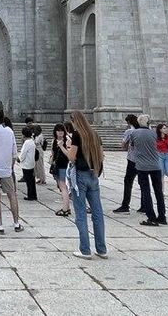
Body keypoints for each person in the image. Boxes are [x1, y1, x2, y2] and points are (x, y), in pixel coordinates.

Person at [64, 111, 106, 259]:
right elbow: (101, 156)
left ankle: (85, 250)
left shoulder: (77, 135)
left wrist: (67, 146)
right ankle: (101, 249)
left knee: (80, 213)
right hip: (93, 175)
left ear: (74, 121)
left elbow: (71, 157)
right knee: (97, 213)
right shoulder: (95, 134)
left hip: (80, 176)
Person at [129, 114, 166, 226]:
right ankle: (162, 216)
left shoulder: (134, 133)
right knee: (159, 192)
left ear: (139, 122)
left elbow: (132, 146)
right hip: (155, 165)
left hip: (142, 166)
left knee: (146, 191)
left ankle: (151, 217)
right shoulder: (154, 133)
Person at [112, 114, 141, 214]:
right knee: (143, 183)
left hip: (132, 159)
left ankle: (125, 205)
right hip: (143, 160)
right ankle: (144, 206)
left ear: (128, 122)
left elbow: (123, 146)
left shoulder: (129, 131)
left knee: (128, 182)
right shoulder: (144, 130)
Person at [49, 123, 71, 217]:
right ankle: (67, 207)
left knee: (63, 187)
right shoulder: (54, 141)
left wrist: (62, 146)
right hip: (56, 166)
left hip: (64, 166)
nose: (60, 132)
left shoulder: (67, 141)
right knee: (61, 187)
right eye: (58, 130)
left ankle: (65, 209)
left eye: (62, 130)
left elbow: (69, 155)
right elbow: (53, 153)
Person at [25, 116, 46, 185]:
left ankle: (42, 179)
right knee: (36, 166)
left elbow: (37, 142)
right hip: (36, 150)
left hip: (39, 150)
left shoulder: (40, 135)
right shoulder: (36, 135)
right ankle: (39, 178)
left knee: (40, 165)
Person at [18, 126, 37, 201]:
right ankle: (33, 195)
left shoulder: (26, 143)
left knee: (28, 181)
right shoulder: (32, 141)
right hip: (31, 163)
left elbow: (23, 153)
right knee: (32, 180)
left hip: (26, 164)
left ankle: (30, 195)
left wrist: (19, 159)